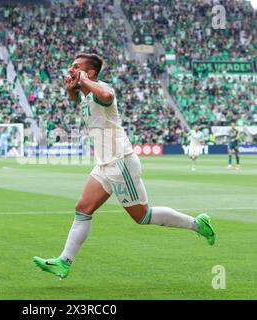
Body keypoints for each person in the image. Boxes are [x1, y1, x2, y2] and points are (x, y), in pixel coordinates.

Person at [33, 53, 216, 279]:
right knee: (83, 208)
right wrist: (72, 88)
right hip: (104, 163)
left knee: (142, 216)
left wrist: (84, 82)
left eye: (77, 67)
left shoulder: (102, 89)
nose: (71, 69)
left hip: (120, 162)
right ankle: (64, 262)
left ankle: (197, 224)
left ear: (90, 73)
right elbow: (81, 104)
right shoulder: (89, 95)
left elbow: (108, 96)